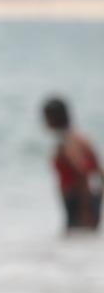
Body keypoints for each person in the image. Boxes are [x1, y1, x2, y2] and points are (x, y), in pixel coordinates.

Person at [42, 97, 102, 232]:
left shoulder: (68, 142)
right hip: (85, 203)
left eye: (46, 117)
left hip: (78, 205)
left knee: (76, 241)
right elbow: (99, 172)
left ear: (54, 117)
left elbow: (81, 173)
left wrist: (87, 207)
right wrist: (97, 201)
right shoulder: (80, 138)